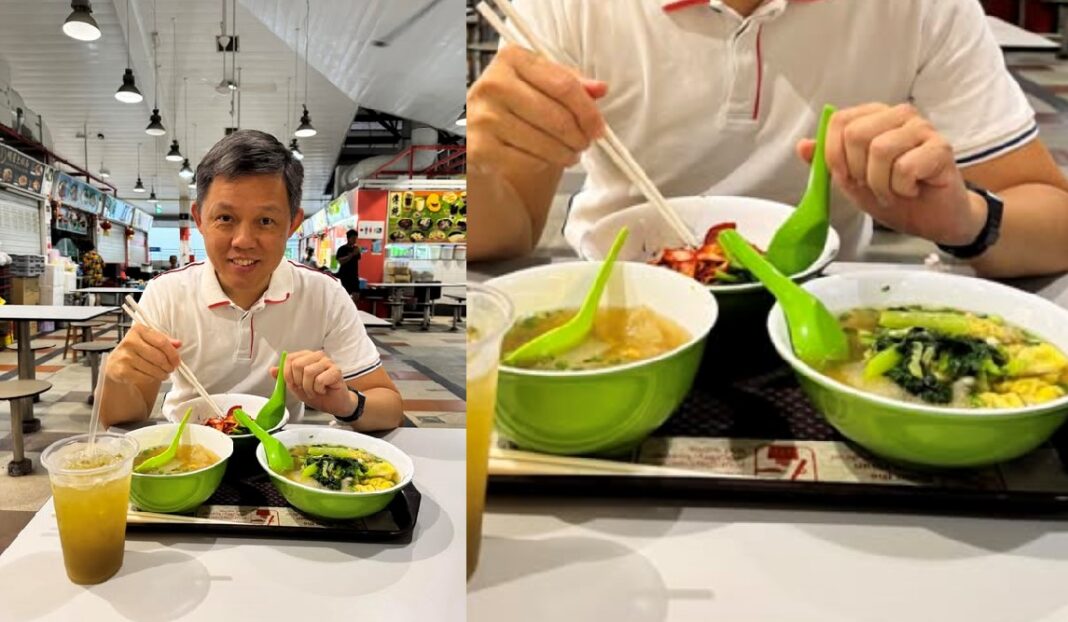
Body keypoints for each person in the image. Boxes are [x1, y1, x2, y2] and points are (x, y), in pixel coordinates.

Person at [467, 0, 1068, 278]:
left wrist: (963, 218)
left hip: (820, 297)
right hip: (611, 288)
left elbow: (1055, 220)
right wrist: (469, 166)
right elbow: (501, 230)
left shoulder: (923, 8)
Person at [98, 130, 405, 431]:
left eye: (266, 221)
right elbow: (122, 419)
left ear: (293, 224)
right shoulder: (166, 292)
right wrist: (115, 377)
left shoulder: (324, 294)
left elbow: (390, 408)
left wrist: (346, 403)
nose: (243, 241)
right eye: (225, 218)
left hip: (279, 451)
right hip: (189, 446)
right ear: (200, 219)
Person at [335, 229, 362, 298]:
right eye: (353, 238)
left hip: (354, 277)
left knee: (356, 296)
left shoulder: (356, 249)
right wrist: (352, 255)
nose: (355, 240)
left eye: (355, 238)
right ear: (348, 238)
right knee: (343, 296)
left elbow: (358, 259)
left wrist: (356, 253)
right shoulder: (342, 249)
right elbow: (340, 261)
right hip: (344, 277)